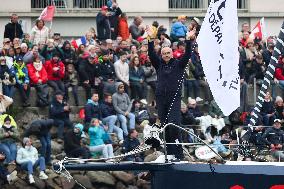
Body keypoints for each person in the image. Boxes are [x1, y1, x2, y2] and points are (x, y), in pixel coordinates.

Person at [147, 26, 196, 160]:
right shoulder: (159, 65)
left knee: (174, 124)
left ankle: (178, 153)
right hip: (161, 98)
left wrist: (188, 40)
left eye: (168, 53)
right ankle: (169, 153)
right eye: (164, 53)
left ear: (172, 54)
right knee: (164, 126)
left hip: (174, 98)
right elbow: (151, 55)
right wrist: (150, 39)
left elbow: (187, 54)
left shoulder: (179, 64)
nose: (166, 55)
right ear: (161, 55)